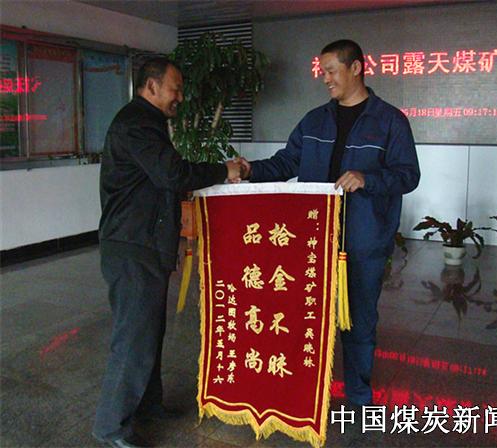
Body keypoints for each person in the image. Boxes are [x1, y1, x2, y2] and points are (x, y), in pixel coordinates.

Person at [238, 40, 420, 407]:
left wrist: (368, 179)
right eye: (323, 72)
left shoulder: (390, 121)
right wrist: (249, 170)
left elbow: (408, 175)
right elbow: (286, 162)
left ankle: (358, 396)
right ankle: (306, 392)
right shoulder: (314, 120)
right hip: (313, 241)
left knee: (359, 322)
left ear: (356, 68)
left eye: (331, 70)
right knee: (307, 318)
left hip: (364, 243)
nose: (326, 79)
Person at [93, 57, 241, 448]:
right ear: (152, 86)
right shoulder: (136, 124)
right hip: (132, 246)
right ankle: (111, 426)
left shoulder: (148, 123)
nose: (180, 96)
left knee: (148, 332)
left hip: (145, 244)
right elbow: (172, 174)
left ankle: (147, 405)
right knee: (133, 337)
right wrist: (223, 170)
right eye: (175, 88)